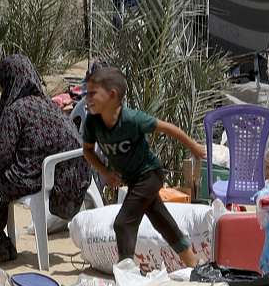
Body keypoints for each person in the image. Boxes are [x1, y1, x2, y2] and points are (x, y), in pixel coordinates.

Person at [81, 64, 206, 270]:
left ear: (112, 95)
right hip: (134, 181)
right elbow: (88, 150)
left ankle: (127, 271)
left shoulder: (131, 119)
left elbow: (168, 128)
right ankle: (194, 263)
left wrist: (194, 147)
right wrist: (105, 171)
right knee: (162, 222)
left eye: (93, 93)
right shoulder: (93, 124)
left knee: (123, 223)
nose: (87, 98)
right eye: (87, 93)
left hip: (149, 175)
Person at [0, 55, 92, 264]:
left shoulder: (15, 110)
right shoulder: (46, 103)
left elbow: (0, 158)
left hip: (37, 176)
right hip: (66, 175)